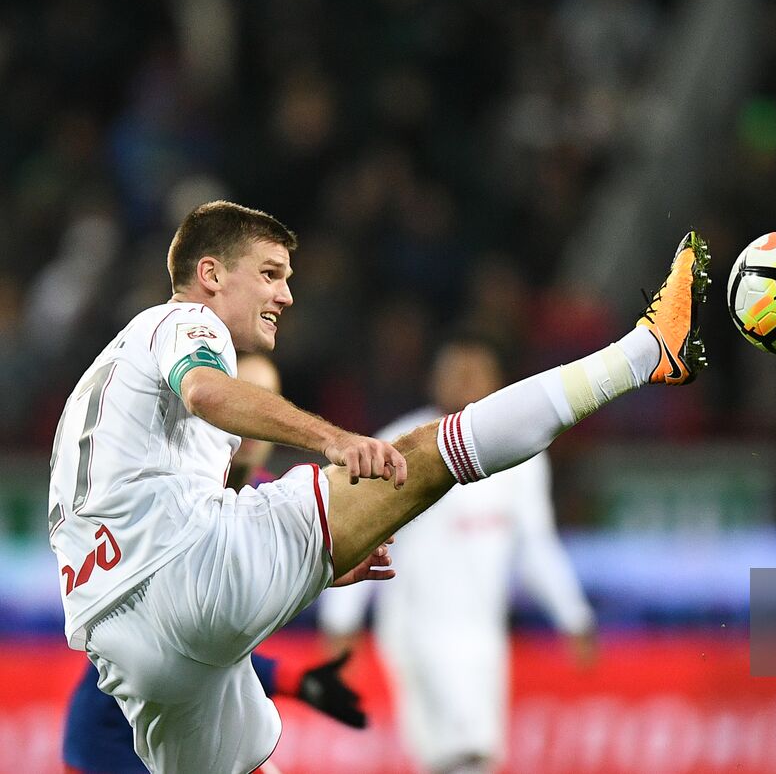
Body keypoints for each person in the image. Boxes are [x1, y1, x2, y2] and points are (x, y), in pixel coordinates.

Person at [46, 200, 708, 773]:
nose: (286, 295)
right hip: (185, 574)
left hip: (127, 651)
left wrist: (300, 567)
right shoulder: (186, 323)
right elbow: (207, 389)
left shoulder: (95, 391)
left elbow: (149, 503)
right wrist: (330, 440)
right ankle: (649, 351)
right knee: (427, 451)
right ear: (211, 274)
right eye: (270, 274)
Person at [61, 352, 367, 774]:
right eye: (241, 395)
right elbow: (182, 639)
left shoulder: (266, 501)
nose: (255, 412)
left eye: (268, 399)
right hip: (112, 743)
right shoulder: (167, 495)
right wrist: (291, 678)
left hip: (192, 724)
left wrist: (321, 572)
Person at [318, 336, 596, 774]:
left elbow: (536, 546)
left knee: (454, 758)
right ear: (435, 381)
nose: (466, 383)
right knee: (466, 754)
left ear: (497, 381)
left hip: (484, 634)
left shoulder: (522, 455)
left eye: (476, 373)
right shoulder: (402, 445)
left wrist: (573, 615)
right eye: (456, 372)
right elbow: (361, 532)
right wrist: (340, 621)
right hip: (420, 627)